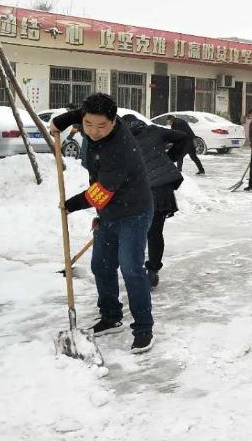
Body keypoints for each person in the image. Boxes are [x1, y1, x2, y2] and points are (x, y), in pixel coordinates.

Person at [50, 93, 156, 354]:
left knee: (131, 268)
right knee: (101, 265)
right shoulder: (94, 120)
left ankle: (143, 328)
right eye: (88, 124)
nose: (93, 131)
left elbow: (100, 193)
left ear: (114, 121)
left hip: (133, 213)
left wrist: (71, 204)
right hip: (108, 213)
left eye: (101, 126)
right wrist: (62, 121)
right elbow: (82, 114)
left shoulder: (120, 149)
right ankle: (110, 316)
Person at [120, 113, 188, 289]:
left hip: (139, 192)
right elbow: (183, 136)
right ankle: (152, 270)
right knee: (155, 232)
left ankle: (134, 270)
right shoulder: (153, 130)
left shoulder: (122, 140)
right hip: (161, 191)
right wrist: (172, 156)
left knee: (134, 232)